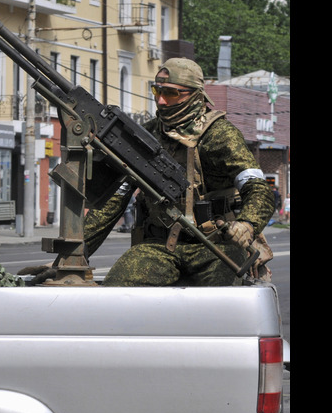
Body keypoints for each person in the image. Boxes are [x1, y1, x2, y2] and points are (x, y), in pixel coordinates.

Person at [83, 58, 276, 286]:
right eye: (157, 90)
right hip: (160, 246)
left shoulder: (219, 135)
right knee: (118, 288)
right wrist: (75, 254)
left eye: (172, 94)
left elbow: (258, 189)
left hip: (216, 247)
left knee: (223, 301)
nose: (161, 101)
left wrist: (247, 224)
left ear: (195, 94)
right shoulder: (147, 135)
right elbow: (114, 200)